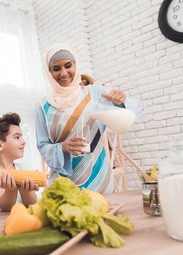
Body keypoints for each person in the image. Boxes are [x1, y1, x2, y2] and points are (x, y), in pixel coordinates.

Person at [35, 43, 143, 193]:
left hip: (98, 177)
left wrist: (122, 101)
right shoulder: (43, 106)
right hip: (63, 183)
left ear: (76, 65)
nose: (64, 73)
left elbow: (135, 110)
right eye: (56, 68)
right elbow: (42, 146)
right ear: (49, 71)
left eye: (68, 66)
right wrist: (63, 147)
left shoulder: (95, 93)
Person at [0, 113, 39, 212]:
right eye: (17, 137)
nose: (24, 141)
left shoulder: (26, 168)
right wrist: (11, 189)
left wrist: (26, 190)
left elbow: (33, 205)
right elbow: (5, 206)